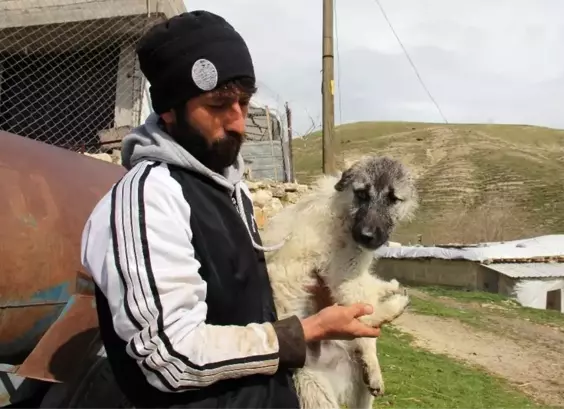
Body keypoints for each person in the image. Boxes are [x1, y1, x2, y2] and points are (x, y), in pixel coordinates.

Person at [79, 9, 381, 409]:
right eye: (219, 104)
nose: (238, 121)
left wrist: (321, 302)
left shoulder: (227, 190)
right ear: (169, 110)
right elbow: (171, 357)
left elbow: (238, 305)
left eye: (243, 101)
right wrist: (303, 332)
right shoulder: (149, 198)